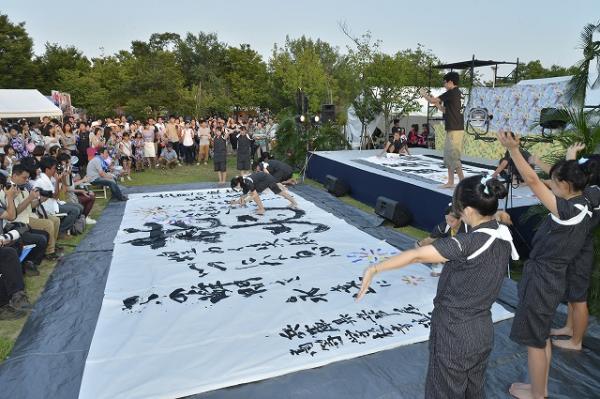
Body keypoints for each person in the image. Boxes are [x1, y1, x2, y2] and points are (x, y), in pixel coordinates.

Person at [357, 174, 516, 398]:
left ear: (469, 211)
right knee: (474, 388)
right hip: (482, 330)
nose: (457, 214)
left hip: (454, 330)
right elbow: (492, 218)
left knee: (444, 390)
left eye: (459, 210)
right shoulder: (501, 234)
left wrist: (373, 269)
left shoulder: (467, 243)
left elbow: (416, 256)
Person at [497, 131, 597, 399]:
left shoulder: (565, 212)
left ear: (565, 185)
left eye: (553, 183)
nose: (548, 185)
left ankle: (537, 394)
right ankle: (537, 387)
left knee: (536, 342)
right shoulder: (586, 200)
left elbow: (531, 180)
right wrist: (571, 159)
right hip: (552, 278)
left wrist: (514, 150)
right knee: (540, 337)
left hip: (542, 280)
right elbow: (559, 179)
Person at [548, 145, 600, 351]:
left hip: (581, 251)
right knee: (572, 293)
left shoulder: (593, 193)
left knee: (579, 298)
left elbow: (570, 189)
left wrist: (570, 159)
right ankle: (570, 328)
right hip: (575, 248)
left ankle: (576, 341)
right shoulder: (592, 191)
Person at [0, 165, 49, 272]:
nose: (26, 180)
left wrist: (40, 200)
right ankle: (28, 263)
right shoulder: (7, 191)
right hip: (14, 226)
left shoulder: (23, 188)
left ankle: (31, 262)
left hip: (24, 222)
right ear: (14, 175)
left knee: (45, 234)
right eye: (24, 177)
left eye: (27, 178)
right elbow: (13, 215)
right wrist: (11, 197)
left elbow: (29, 206)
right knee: (42, 237)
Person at [420, 72, 465, 188]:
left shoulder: (451, 92)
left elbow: (432, 100)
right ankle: (450, 182)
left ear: (450, 81)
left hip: (455, 129)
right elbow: (446, 110)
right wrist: (438, 105)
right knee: (448, 156)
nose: (444, 85)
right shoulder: (458, 93)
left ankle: (463, 183)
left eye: (444, 82)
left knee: (454, 156)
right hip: (454, 128)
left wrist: (424, 94)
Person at [416, 204, 468, 277]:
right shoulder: (444, 226)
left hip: (467, 252)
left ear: (460, 219)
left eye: (451, 221)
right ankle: (439, 267)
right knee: (435, 246)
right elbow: (430, 239)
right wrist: (419, 246)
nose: (449, 223)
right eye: (447, 220)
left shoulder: (467, 230)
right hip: (454, 249)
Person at [34, 157, 82, 236]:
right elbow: (55, 196)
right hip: (48, 207)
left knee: (79, 207)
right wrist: (57, 181)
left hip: (54, 203)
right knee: (75, 211)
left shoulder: (48, 178)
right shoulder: (42, 181)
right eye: (53, 168)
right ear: (47, 169)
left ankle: (70, 228)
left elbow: (61, 191)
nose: (55, 170)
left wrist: (60, 179)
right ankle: (60, 231)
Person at [230, 171, 299, 215]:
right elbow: (244, 195)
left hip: (266, 179)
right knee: (280, 192)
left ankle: (261, 209)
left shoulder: (247, 182)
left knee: (254, 194)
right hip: (265, 178)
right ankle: (294, 202)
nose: (236, 188)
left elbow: (254, 195)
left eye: (236, 187)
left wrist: (245, 201)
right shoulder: (243, 183)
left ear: (238, 183)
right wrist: (236, 202)